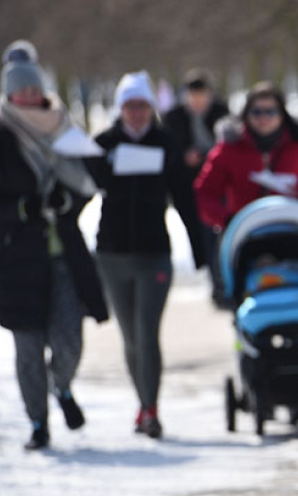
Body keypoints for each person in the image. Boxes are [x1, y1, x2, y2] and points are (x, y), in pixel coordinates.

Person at [0, 41, 109, 450]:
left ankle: (62, 385)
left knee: (69, 338)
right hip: (15, 258)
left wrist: (69, 202)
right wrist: (21, 209)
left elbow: (89, 180)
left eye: (34, 88)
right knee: (28, 346)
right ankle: (38, 422)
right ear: (9, 94)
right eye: (21, 89)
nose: (29, 95)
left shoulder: (66, 129)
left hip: (64, 253)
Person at [88, 71, 208, 439]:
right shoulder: (103, 144)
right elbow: (82, 188)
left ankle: (151, 409)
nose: (137, 113)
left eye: (143, 105)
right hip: (112, 254)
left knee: (147, 333)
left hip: (154, 253)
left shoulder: (166, 142)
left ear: (152, 107)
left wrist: (199, 248)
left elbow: (184, 197)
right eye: (130, 106)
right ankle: (142, 404)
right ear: (120, 109)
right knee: (130, 337)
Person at [194, 81, 298, 232]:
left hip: (293, 232)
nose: (264, 118)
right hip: (244, 234)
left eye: (271, 112)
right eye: (256, 112)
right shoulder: (229, 149)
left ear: (282, 115)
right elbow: (205, 194)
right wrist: (229, 220)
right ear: (246, 115)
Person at [164, 69, 232, 306]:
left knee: (220, 232)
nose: (197, 101)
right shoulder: (174, 117)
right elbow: (169, 149)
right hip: (189, 186)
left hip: (219, 185)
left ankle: (223, 282)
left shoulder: (221, 113)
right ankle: (215, 280)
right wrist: (184, 155)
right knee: (201, 235)